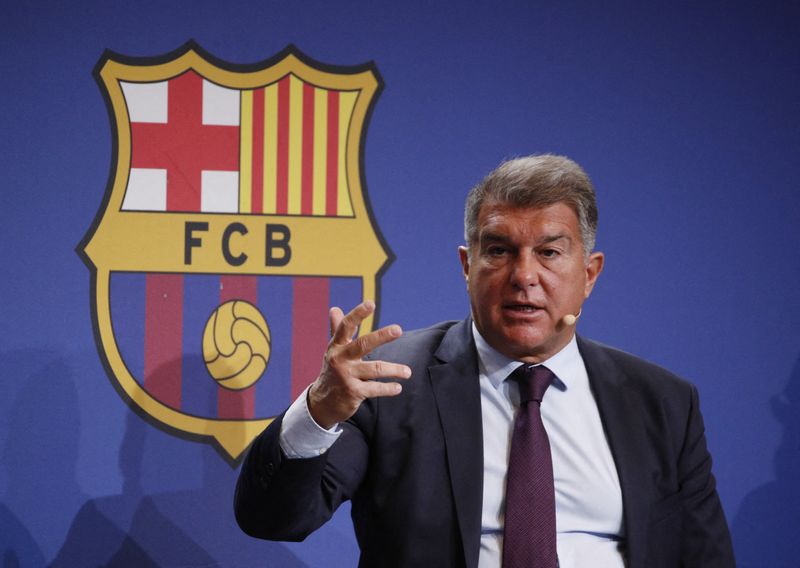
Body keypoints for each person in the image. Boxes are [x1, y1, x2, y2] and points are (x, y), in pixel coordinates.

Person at [234, 154, 735, 568]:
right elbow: (273, 519)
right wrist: (318, 411)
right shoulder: (389, 384)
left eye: (549, 253)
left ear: (590, 273)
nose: (524, 276)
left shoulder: (662, 403)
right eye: (499, 250)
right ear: (466, 265)